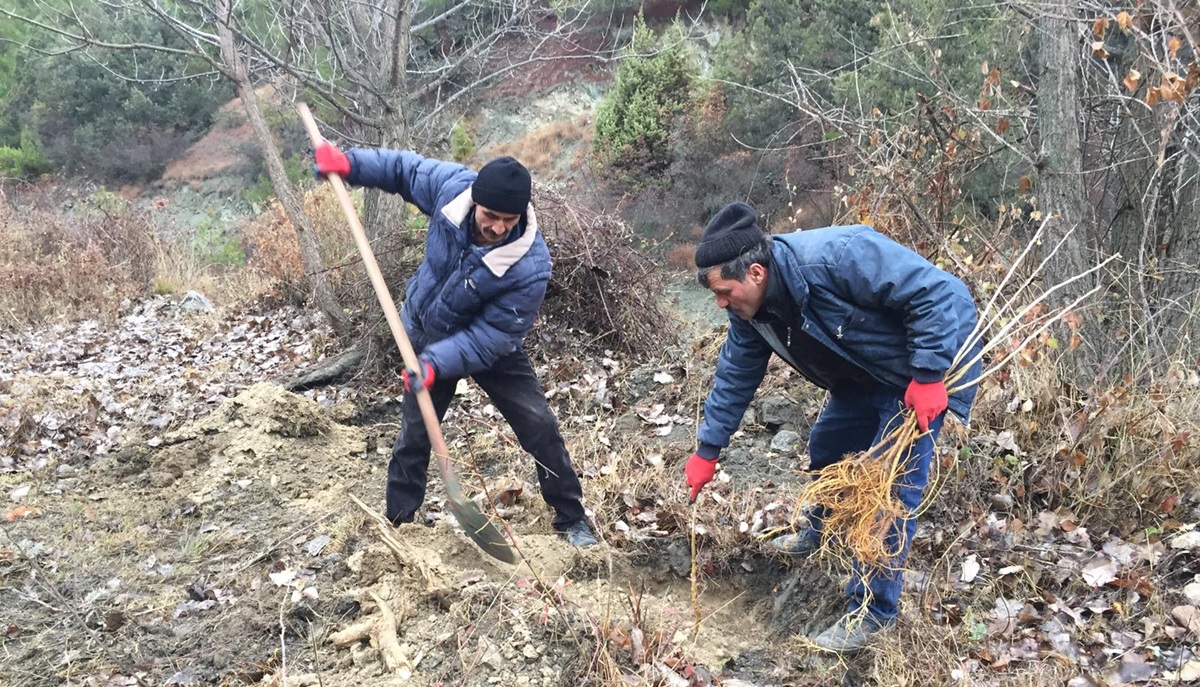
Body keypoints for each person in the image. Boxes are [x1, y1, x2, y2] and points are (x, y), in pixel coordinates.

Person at [683, 201, 981, 652]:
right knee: (828, 448)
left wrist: (928, 374)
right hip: (862, 375)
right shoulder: (751, 313)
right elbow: (735, 375)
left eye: (724, 292)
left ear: (756, 273)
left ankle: (872, 613)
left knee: (887, 494)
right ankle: (821, 533)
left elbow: (939, 294)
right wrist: (708, 450)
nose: (721, 303)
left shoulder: (839, 255)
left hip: (923, 368)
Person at [313, 142, 598, 548]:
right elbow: (403, 170)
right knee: (415, 433)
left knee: (539, 424)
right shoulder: (451, 191)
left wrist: (436, 363)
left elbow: (491, 338)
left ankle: (571, 518)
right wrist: (350, 165)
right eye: (491, 216)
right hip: (426, 333)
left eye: (509, 219)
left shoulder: (529, 264)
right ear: (475, 202)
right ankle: (400, 523)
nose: (498, 227)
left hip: (491, 345)